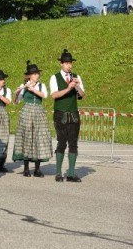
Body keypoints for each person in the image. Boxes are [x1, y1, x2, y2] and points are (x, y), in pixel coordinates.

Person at [12, 61, 53, 177]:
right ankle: (26, 168)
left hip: (39, 112)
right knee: (27, 138)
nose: (37, 76)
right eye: (34, 74)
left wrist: (33, 89)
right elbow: (16, 102)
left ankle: (37, 169)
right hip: (27, 113)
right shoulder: (23, 86)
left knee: (39, 138)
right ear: (29, 76)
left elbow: (44, 95)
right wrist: (19, 91)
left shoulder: (41, 85)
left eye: (37, 74)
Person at [50, 49, 86, 182]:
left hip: (74, 114)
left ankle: (71, 173)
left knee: (73, 143)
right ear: (61, 64)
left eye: (70, 63)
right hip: (60, 114)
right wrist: (68, 88)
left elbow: (82, 95)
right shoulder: (54, 77)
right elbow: (54, 95)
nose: (69, 65)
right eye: (66, 63)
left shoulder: (76, 76)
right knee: (61, 142)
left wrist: (77, 86)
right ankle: (58, 173)